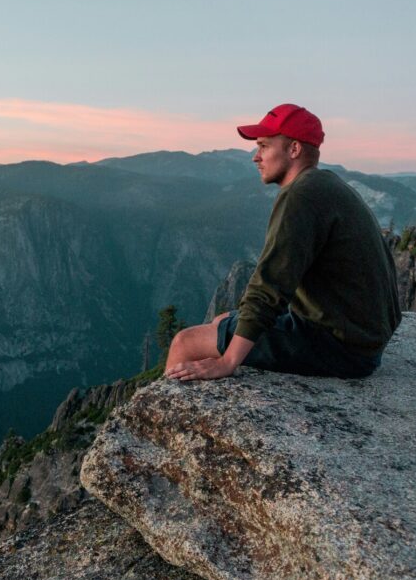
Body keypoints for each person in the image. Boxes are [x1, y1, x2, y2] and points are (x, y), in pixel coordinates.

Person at [163, 103, 401, 381]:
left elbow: (269, 285)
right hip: (359, 341)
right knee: (220, 322)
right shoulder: (326, 184)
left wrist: (228, 361)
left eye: (264, 146)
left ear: (294, 149)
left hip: (339, 348)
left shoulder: (300, 196)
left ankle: (160, 415)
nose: (256, 157)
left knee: (186, 342)